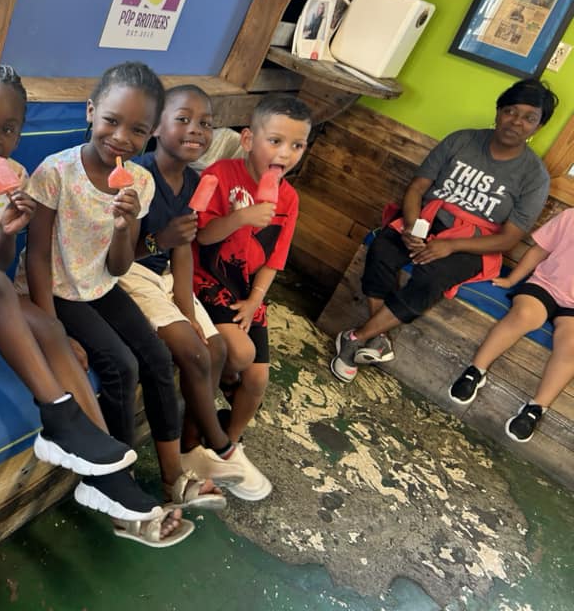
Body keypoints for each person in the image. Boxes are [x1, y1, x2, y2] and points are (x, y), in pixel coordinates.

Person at [0, 60, 156, 517]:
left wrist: (8, 231)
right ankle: (56, 414)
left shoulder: (16, 177)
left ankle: (107, 480)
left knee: (51, 329)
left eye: (8, 129)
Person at [22, 62, 224, 547]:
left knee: (156, 356)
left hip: (101, 284)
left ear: (151, 132)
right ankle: (119, 491)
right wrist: (54, 331)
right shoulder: (56, 172)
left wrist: (125, 225)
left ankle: (172, 476)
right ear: (91, 111)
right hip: (58, 291)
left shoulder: (139, 183)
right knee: (121, 365)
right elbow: (36, 258)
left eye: (136, 129)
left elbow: (118, 266)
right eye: (111, 121)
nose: (120, 138)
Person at [331, 78, 556, 383]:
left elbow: (508, 239)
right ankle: (378, 338)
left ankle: (356, 338)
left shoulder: (535, 177)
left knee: (432, 277)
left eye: (529, 118)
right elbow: (417, 188)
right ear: (498, 111)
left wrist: (451, 245)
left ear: (538, 127)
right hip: (428, 219)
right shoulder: (461, 140)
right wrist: (413, 227)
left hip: (476, 242)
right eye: (511, 111)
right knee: (383, 247)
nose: (516, 121)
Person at [121, 84, 274, 501]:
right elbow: (117, 257)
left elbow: (184, 250)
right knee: (193, 352)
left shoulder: (195, 182)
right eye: (183, 119)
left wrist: (188, 309)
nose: (196, 130)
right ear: (155, 127)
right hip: (130, 274)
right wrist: (161, 240)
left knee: (216, 348)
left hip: (168, 275)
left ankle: (192, 451)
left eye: (206, 123)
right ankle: (222, 447)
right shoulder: (136, 177)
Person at [192, 94, 311, 495]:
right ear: (247, 140)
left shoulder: (289, 199)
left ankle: (228, 444)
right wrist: (242, 216)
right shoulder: (219, 175)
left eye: (297, 145)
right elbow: (202, 236)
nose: (285, 154)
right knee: (241, 355)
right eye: (275, 141)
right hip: (206, 282)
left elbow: (274, 259)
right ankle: (225, 381)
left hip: (247, 291)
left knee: (259, 379)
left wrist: (256, 298)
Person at [449, 207, 574, 443]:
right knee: (524, 315)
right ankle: (475, 371)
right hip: (545, 286)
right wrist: (511, 279)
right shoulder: (571, 217)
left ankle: (536, 408)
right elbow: (539, 251)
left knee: (571, 346)